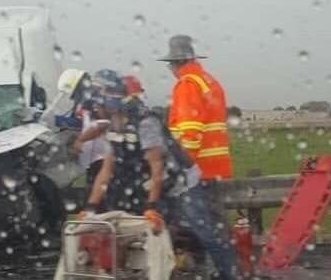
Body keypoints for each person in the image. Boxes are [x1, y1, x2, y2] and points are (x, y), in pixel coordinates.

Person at [77, 79, 239, 280]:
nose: (95, 112)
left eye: (97, 107)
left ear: (110, 105)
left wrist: (151, 206)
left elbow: (157, 168)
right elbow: (106, 171)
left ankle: (229, 274)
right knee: (155, 234)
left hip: (182, 182)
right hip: (157, 184)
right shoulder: (113, 127)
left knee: (205, 231)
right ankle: (176, 269)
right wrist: (90, 208)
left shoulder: (145, 123)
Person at [157, 34, 233, 229]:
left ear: (176, 63)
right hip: (213, 168)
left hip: (196, 170)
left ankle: (214, 260)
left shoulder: (187, 84)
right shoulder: (209, 82)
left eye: (170, 65)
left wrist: (182, 170)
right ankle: (228, 258)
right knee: (215, 227)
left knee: (198, 229)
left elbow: (190, 133)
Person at [72, 69, 122, 211]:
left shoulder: (110, 110)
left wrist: (80, 140)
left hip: (99, 161)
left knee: (99, 201)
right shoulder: (91, 105)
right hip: (90, 162)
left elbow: (100, 125)